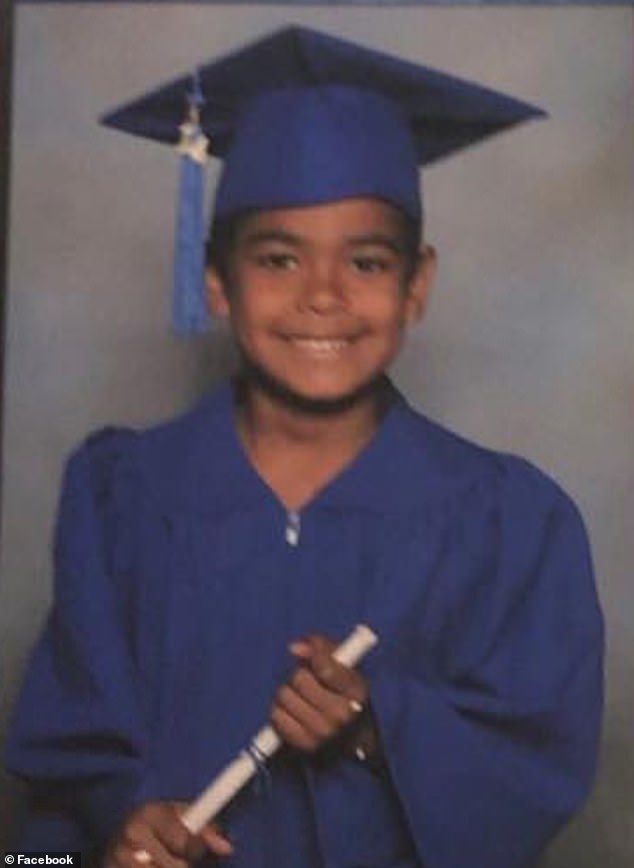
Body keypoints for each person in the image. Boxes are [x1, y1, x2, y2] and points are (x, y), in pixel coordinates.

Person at [5, 26, 603, 868]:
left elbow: (537, 773)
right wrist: (106, 843)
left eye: (365, 263)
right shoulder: (121, 496)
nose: (322, 297)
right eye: (279, 259)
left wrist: (376, 726)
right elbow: (52, 815)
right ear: (217, 281)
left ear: (416, 285)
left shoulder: (510, 524)